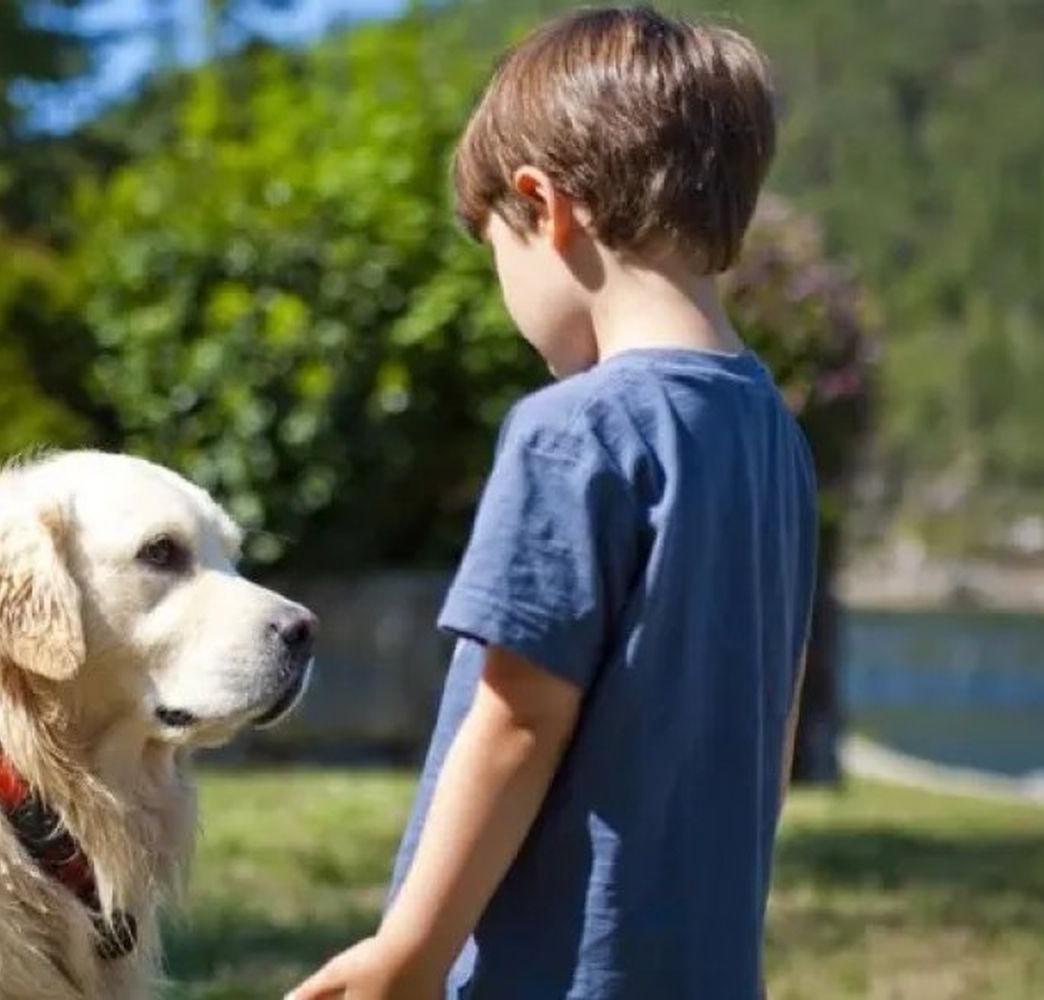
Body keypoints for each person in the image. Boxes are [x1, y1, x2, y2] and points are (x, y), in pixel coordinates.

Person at [287, 7, 817, 998]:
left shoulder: (576, 429)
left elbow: (518, 721)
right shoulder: (773, 435)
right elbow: (773, 722)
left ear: (546, 206)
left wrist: (412, 950)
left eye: (495, 249)